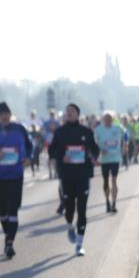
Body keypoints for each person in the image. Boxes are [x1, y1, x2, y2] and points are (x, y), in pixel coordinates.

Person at [0, 102, 33, 259]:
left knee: (13, 210)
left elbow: (31, 145)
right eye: (1, 113)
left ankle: (9, 242)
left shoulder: (20, 128)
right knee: (2, 211)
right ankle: (8, 236)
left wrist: (28, 157)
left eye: (6, 113)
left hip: (16, 175)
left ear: (10, 114)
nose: (4, 116)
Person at [49, 103, 100, 256]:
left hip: (83, 174)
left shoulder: (86, 131)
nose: (69, 113)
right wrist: (61, 157)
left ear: (78, 114)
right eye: (67, 111)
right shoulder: (59, 132)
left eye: (72, 111)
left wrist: (93, 158)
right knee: (69, 208)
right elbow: (52, 150)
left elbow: (94, 149)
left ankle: (79, 244)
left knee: (82, 209)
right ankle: (70, 225)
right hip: (66, 175)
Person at [94, 112, 126, 213]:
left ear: (113, 119)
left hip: (115, 158)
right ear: (103, 120)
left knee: (114, 180)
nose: (108, 120)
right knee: (106, 182)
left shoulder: (118, 128)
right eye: (106, 119)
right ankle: (107, 201)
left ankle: (114, 203)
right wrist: (99, 150)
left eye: (110, 119)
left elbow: (126, 135)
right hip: (104, 159)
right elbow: (94, 143)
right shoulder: (98, 130)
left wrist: (126, 145)